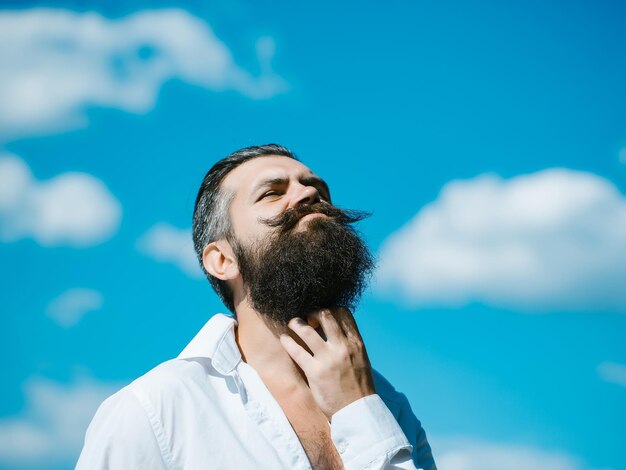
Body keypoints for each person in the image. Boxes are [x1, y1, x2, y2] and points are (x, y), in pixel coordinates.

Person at [77, 144, 437, 470]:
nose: (309, 193)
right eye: (272, 192)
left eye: (317, 189)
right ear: (223, 260)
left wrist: (360, 411)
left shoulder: (390, 406)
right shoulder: (156, 411)